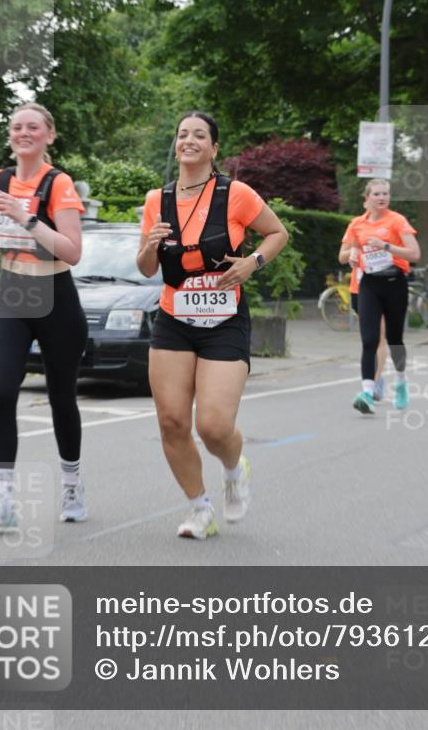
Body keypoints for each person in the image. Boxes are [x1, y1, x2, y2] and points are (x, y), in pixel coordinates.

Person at [137, 112, 288, 540]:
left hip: (224, 321)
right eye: (182, 134)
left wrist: (252, 263)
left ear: (213, 148)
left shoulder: (234, 193)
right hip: (174, 319)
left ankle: (234, 469)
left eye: (199, 135)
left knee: (214, 426)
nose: (189, 140)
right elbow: (146, 268)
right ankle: (200, 509)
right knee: (172, 422)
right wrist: (150, 245)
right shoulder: (157, 200)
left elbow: (277, 233)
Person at [0, 103, 88, 528]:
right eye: (17, 126)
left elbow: (72, 251)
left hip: (56, 296)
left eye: (33, 127)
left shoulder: (59, 183)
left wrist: (26, 217)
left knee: (61, 397)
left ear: (49, 135)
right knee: (2, 392)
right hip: (12, 293)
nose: (23, 133)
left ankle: (72, 483)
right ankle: (2, 499)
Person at [342, 179, 420, 414]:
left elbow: (415, 254)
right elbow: (344, 253)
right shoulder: (357, 224)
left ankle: (401, 382)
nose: (382, 197)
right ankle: (367, 392)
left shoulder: (397, 221)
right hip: (369, 284)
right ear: (367, 198)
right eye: (376, 193)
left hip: (395, 283)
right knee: (370, 339)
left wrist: (386, 247)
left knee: (395, 340)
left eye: (385, 193)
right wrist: (353, 254)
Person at [340, 226, 386, 401]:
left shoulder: (391, 225)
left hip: (382, 288)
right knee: (368, 338)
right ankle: (375, 377)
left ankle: (374, 383)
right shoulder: (355, 227)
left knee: (379, 337)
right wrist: (355, 251)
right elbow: (341, 257)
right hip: (359, 289)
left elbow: (403, 255)